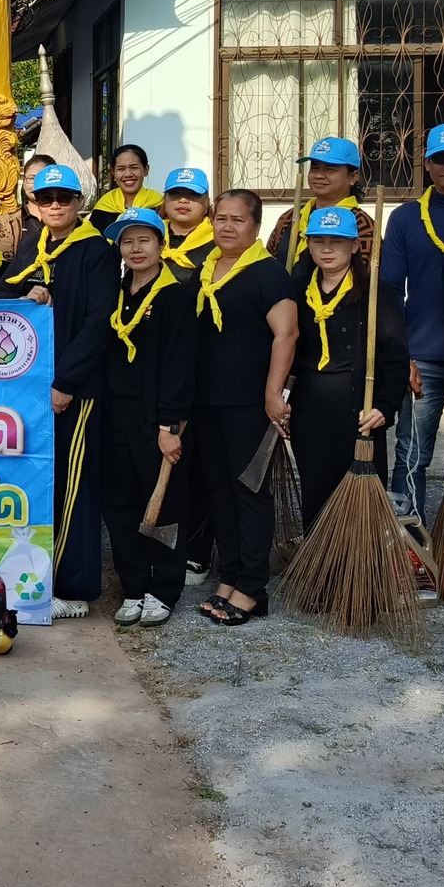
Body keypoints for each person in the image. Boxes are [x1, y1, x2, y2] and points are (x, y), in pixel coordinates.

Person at [2, 163, 118, 619]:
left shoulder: (97, 251)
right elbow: (5, 300)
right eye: (45, 198)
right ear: (34, 205)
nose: (54, 206)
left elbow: (100, 322)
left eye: (63, 198)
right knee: (43, 483)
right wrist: (26, 295)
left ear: (79, 202)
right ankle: (41, 576)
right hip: (35, 388)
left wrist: (67, 382)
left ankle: (73, 584)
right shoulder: (32, 247)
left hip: (75, 389)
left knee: (74, 487)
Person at [186, 188, 298, 628]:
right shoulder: (205, 268)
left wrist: (273, 394)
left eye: (238, 220)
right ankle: (229, 576)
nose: (227, 226)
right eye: (221, 218)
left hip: (249, 402)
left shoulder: (268, 274)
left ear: (255, 226)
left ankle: (253, 587)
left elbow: (286, 335)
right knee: (219, 492)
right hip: (207, 402)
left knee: (250, 493)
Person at [97, 209, 196, 627]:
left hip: (155, 418)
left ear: (160, 244)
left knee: (164, 503)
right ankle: (134, 586)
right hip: (114, 414)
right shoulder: (116, 291)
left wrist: (169, 426)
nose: (136, 249)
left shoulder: (175, 294)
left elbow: (180, 364)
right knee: (121, 504)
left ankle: (164, 587)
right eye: (127, 241)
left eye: (144, 240)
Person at [379, 123, 444, 523]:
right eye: (441, 158)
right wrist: (402, 355)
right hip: (422, 355)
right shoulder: (405, 218)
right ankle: (410, 543)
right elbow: (390, 291)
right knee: (411, 454)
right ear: (427, 163)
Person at [286, 206, 406, 535]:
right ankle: (319, 560)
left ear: (354, 246)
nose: (327, 249)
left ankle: (360, 563)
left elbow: (396, 356)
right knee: (315, 490)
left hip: (358, 410)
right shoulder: (296, 289)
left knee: (361, 499)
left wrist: (385, 406)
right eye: (319, 241)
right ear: (308, 245)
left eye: (337, 241)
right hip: (309, 408)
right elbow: (286, 350)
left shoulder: (375, 292)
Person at [267, 136, 374, 274]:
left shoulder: (361, 224)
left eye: (330, 169)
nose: (318, 175)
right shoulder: (291, 217)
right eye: (314, 168)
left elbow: (364, 275)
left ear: (353, 177)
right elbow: (270, 264)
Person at [89, 143, 164, 228]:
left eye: (134, 168)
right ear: (113, 172)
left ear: (146, 170)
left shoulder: (159, 206)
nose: (128, 174)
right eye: (121, 169)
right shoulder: (104, 207)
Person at [159, 167, 216, 272]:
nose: (183, 200)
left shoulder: (219, 242)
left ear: (206, 203)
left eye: (193, 194)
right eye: (175, 193)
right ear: (165, 201)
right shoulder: (150, 236)